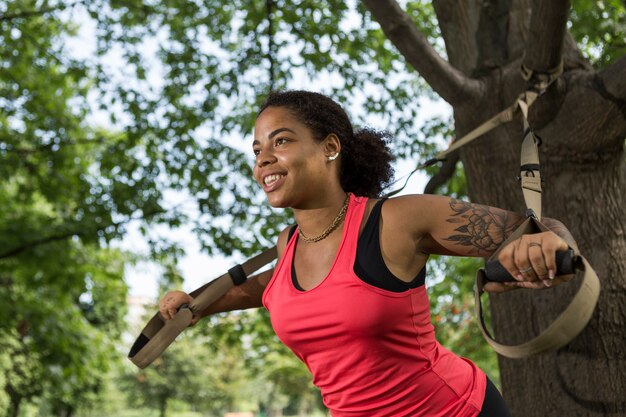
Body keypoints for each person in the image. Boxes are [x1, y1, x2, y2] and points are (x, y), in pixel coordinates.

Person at [159, 90, 575, 417]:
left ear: (330, 148)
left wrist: (547, 245)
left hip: (454, 409)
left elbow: (534, 229)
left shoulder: (396, 220)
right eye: (256, 150)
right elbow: (269, 288)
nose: (263, 159)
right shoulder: (289, 246)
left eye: (280, 141)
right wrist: (199, 305)